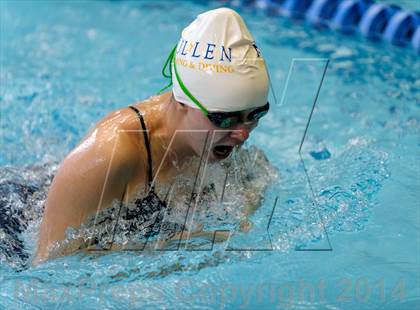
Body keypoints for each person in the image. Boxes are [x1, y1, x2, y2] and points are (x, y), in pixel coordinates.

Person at [34, 7, 270, 264]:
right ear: (181, 102)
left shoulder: (219, 138)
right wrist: (188, 245)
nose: (243, 134)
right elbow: (50, 267)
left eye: (255, 115)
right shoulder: (109, 155)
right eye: (224, 118)